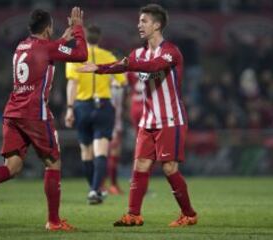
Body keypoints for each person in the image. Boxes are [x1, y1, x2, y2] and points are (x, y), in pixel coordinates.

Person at [0, 7, 88, 231]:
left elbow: (45, 51)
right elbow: (81, 54)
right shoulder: (48, 48)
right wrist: (78, 29)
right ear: (48, 27)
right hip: (34, 113)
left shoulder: (21, 46)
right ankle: (54, 221)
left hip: (12, 112)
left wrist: (61, 40)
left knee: (12, 166)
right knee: (53, 162)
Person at [77, 4, 198, 227]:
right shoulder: (138, 53)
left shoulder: (170, 51)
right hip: (148, 120)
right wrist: (98, 68)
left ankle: (189, 214)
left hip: (170, 119)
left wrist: (128, 64)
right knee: (140, 165)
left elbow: (153, 66)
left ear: (157, 24)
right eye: (139, 21)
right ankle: (133, 214)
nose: (139, 25)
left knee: (169, 168)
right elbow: (122, 65)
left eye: (144, 21)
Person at [65, 25, 126, 204]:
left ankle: (94, 188)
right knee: (101, 151)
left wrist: (69, 108)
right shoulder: (108, 56)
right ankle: (94, 190)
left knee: (86, 152)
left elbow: (72, 84)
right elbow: (121, 81)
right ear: (99, 39)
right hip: (103, 106)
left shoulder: (75, 57)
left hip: (82, 106)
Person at [106, 83, 125, 195]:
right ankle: (111, 185)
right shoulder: (115, 85)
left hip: (115, 123)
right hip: (112, 123)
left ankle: (104, 185)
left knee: (109, 153)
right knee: (112, 152)